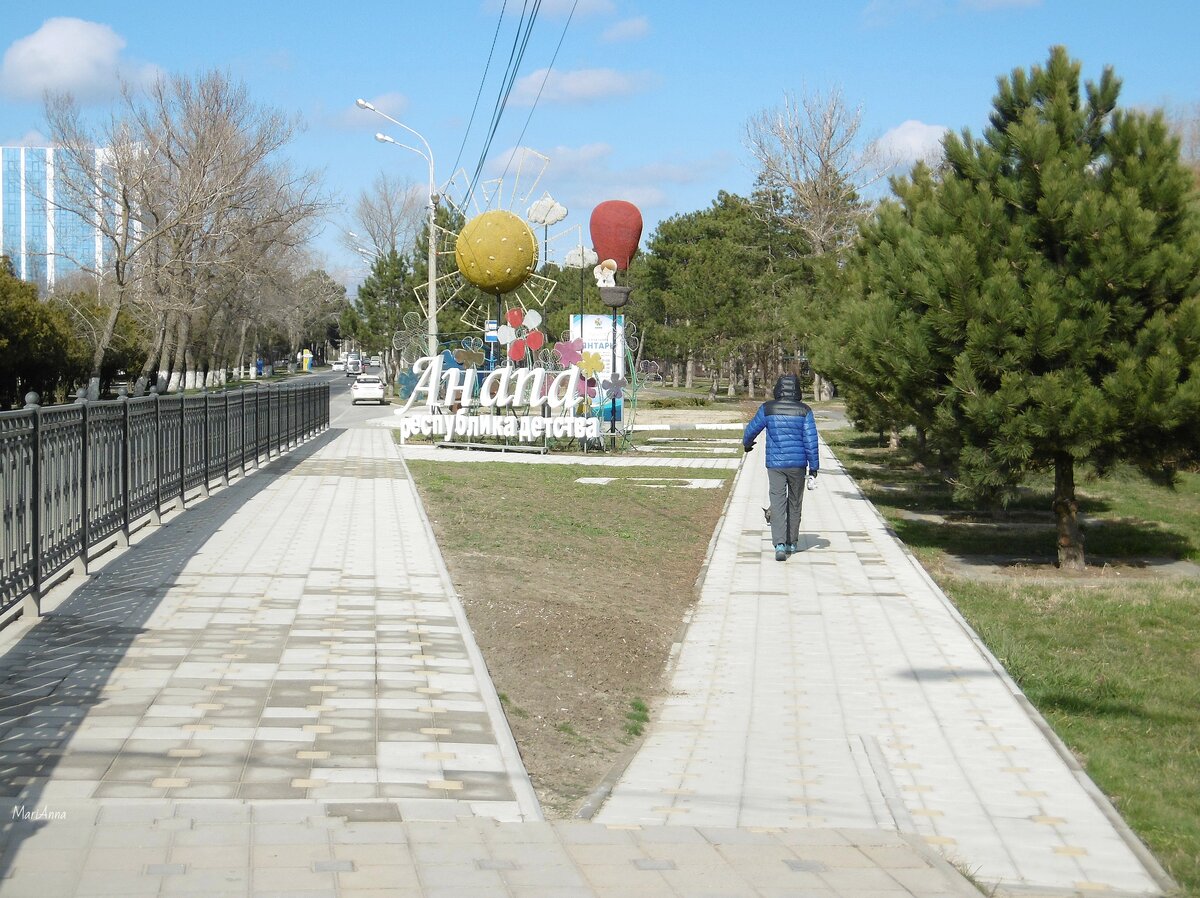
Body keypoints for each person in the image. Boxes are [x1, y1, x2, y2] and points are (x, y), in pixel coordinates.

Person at [743, 373, 820, 561]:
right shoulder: (805, 410)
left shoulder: (768, 408)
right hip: (798, 465)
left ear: (778, 389)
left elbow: (752, 428)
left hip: (775, 464)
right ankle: (792, 543)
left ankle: (779, 545)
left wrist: (747, 443)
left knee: (777, 502)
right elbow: (811, 440)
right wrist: (814, 467)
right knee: (795, 502)